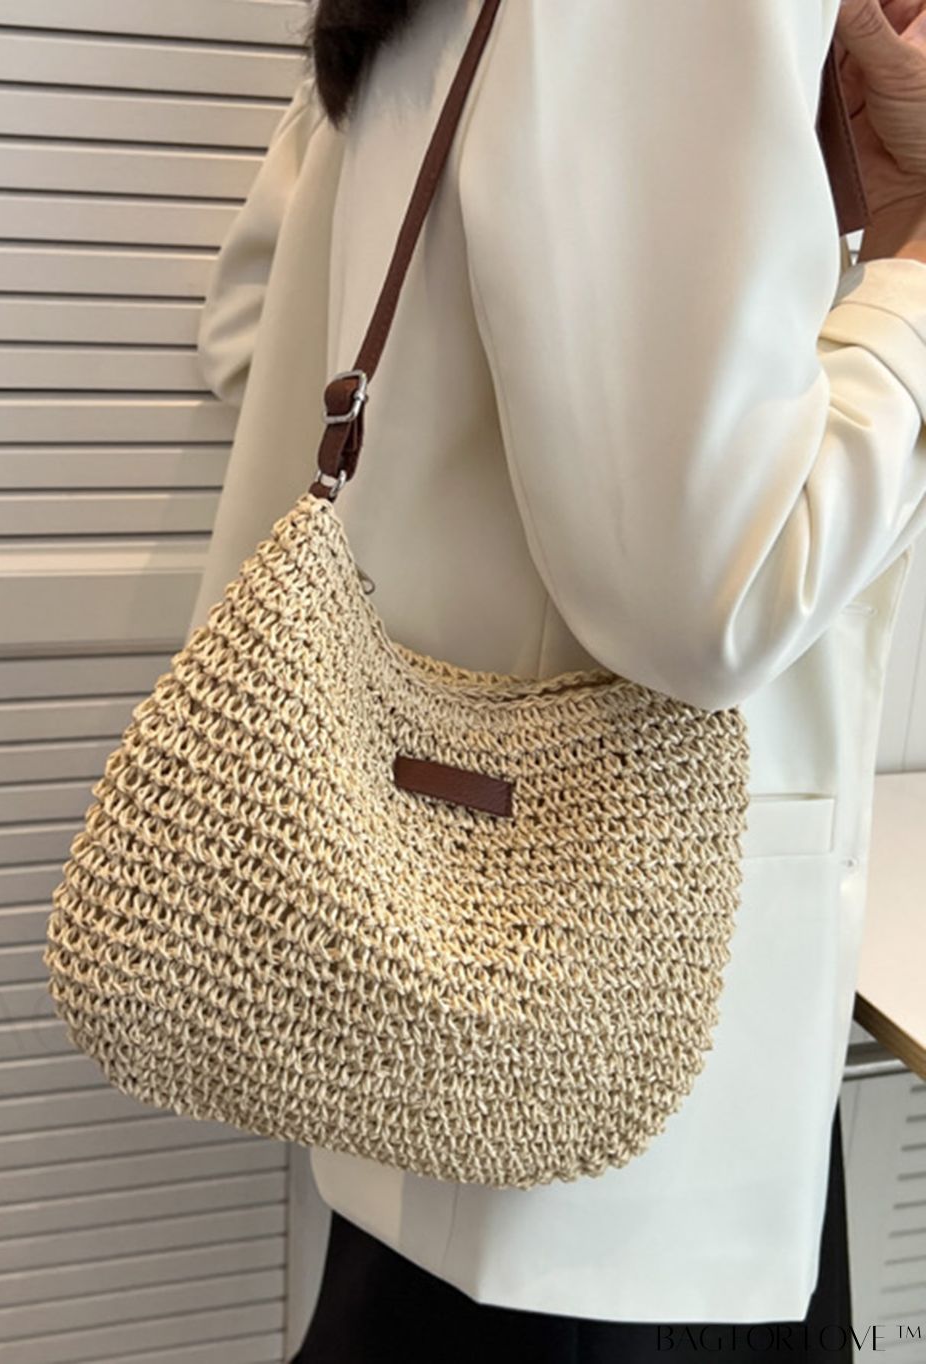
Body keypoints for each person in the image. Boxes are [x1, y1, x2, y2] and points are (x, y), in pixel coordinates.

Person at [187, 0, 926, 1358]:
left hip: (425, 990)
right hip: (612, 1092)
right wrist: (915, 271)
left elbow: (248, 329)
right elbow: (716, 596)